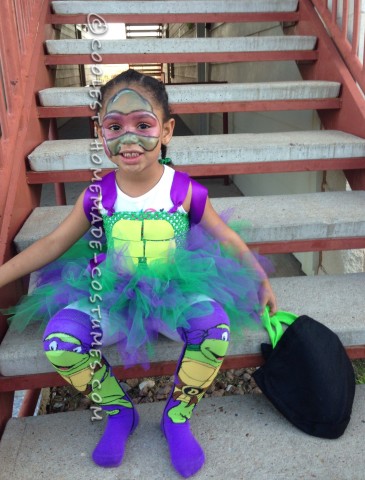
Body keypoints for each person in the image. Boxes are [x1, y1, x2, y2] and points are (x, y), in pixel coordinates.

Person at [0, 69, 277, 478]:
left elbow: (227, 239)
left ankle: (177, 416)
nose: (129, 138)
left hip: (175, 296)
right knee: (60, 340)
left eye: (142, 125)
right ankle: (117, 411)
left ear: (166, 131)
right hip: (113, 296)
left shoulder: (185, 191)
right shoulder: (99, 194)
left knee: (214, 329)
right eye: (115, 126)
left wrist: (261, 278)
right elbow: (52, 244)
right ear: (101, 133)